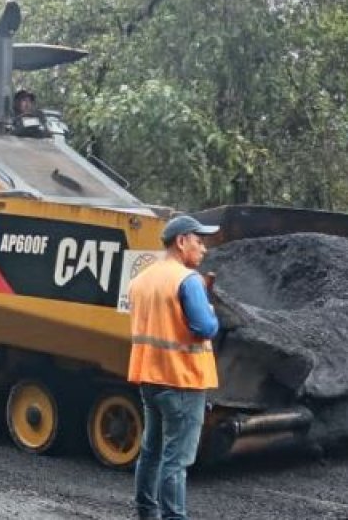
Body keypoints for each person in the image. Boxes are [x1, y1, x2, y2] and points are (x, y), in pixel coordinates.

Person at [127, 215, 221, 520]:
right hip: (182, 380)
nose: (204, 249)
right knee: (176, 461)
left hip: (149, 379)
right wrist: (210, 308)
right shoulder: (187, 280)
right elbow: (205, 327)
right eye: (199, 240)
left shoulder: (141, 280)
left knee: (151, 451)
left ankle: (146, 512)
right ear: (182, 242)